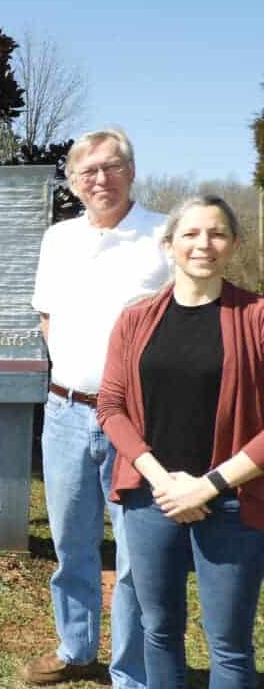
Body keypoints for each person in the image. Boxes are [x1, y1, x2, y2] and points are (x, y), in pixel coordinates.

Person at [23, 129, 170, 688]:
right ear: (73, 182)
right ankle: (75, 645)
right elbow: (47, 316)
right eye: (87, 172)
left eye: (111, 168)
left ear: (131, 172)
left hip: (137, 420)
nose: (100, 179)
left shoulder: (162, 235)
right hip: (64, 413)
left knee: (134, 556)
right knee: (71, 543)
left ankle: (130, 671)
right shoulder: (58, 239)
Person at [97, 196, 264, 688]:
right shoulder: (135, 320)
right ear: (169, 244)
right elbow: (111, 405)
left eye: (216, 233)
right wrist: (162, 480)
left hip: (234, 500)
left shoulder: (255, 317)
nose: (203, 244)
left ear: (233, 244)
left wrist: (207, 486)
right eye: (190, 234)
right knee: (159, 630)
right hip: (153, 500)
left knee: (230, 647)